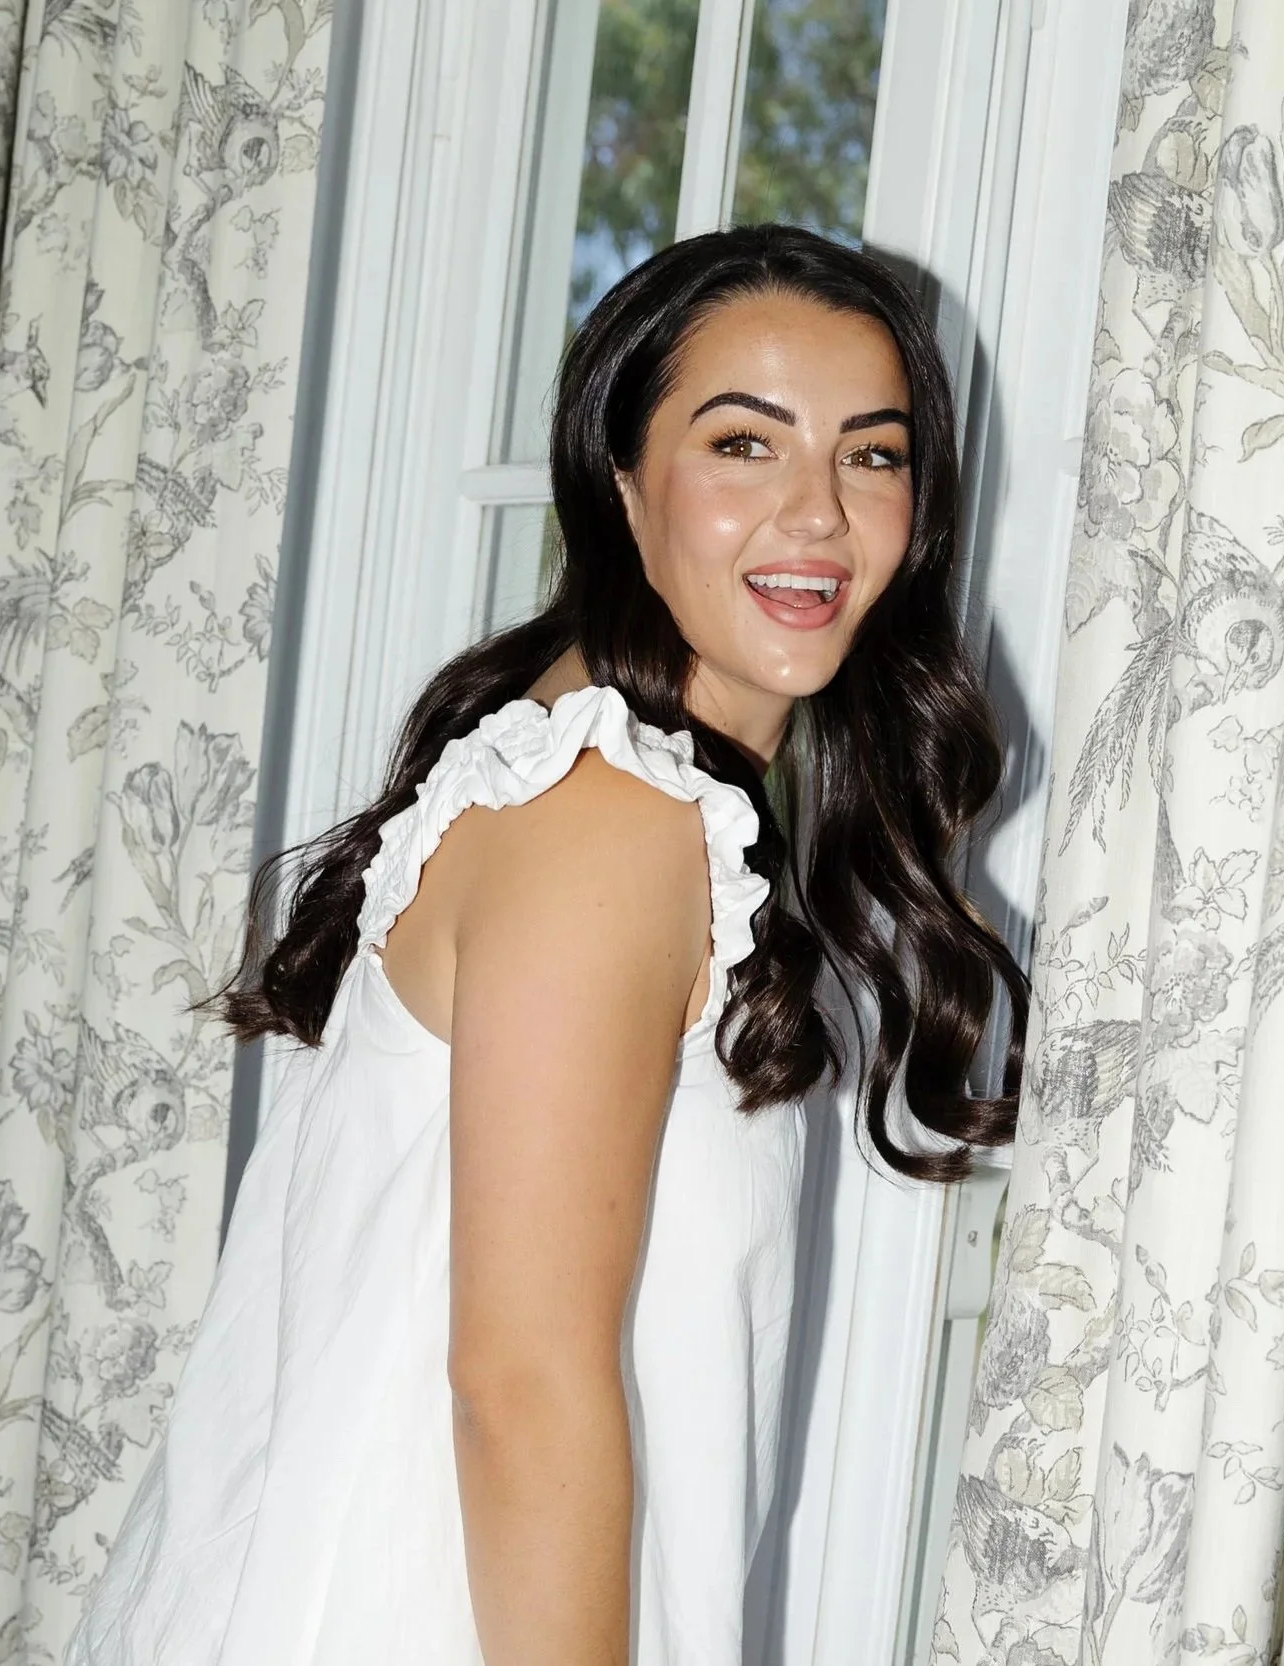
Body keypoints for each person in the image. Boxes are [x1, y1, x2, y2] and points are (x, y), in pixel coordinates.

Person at [67, 224, 1026, 1665]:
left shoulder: (604, 787)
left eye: (872, 456)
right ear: (621, 482)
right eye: (744, 445)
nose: (818, 514)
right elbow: (520, 1385)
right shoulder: (606, 817)